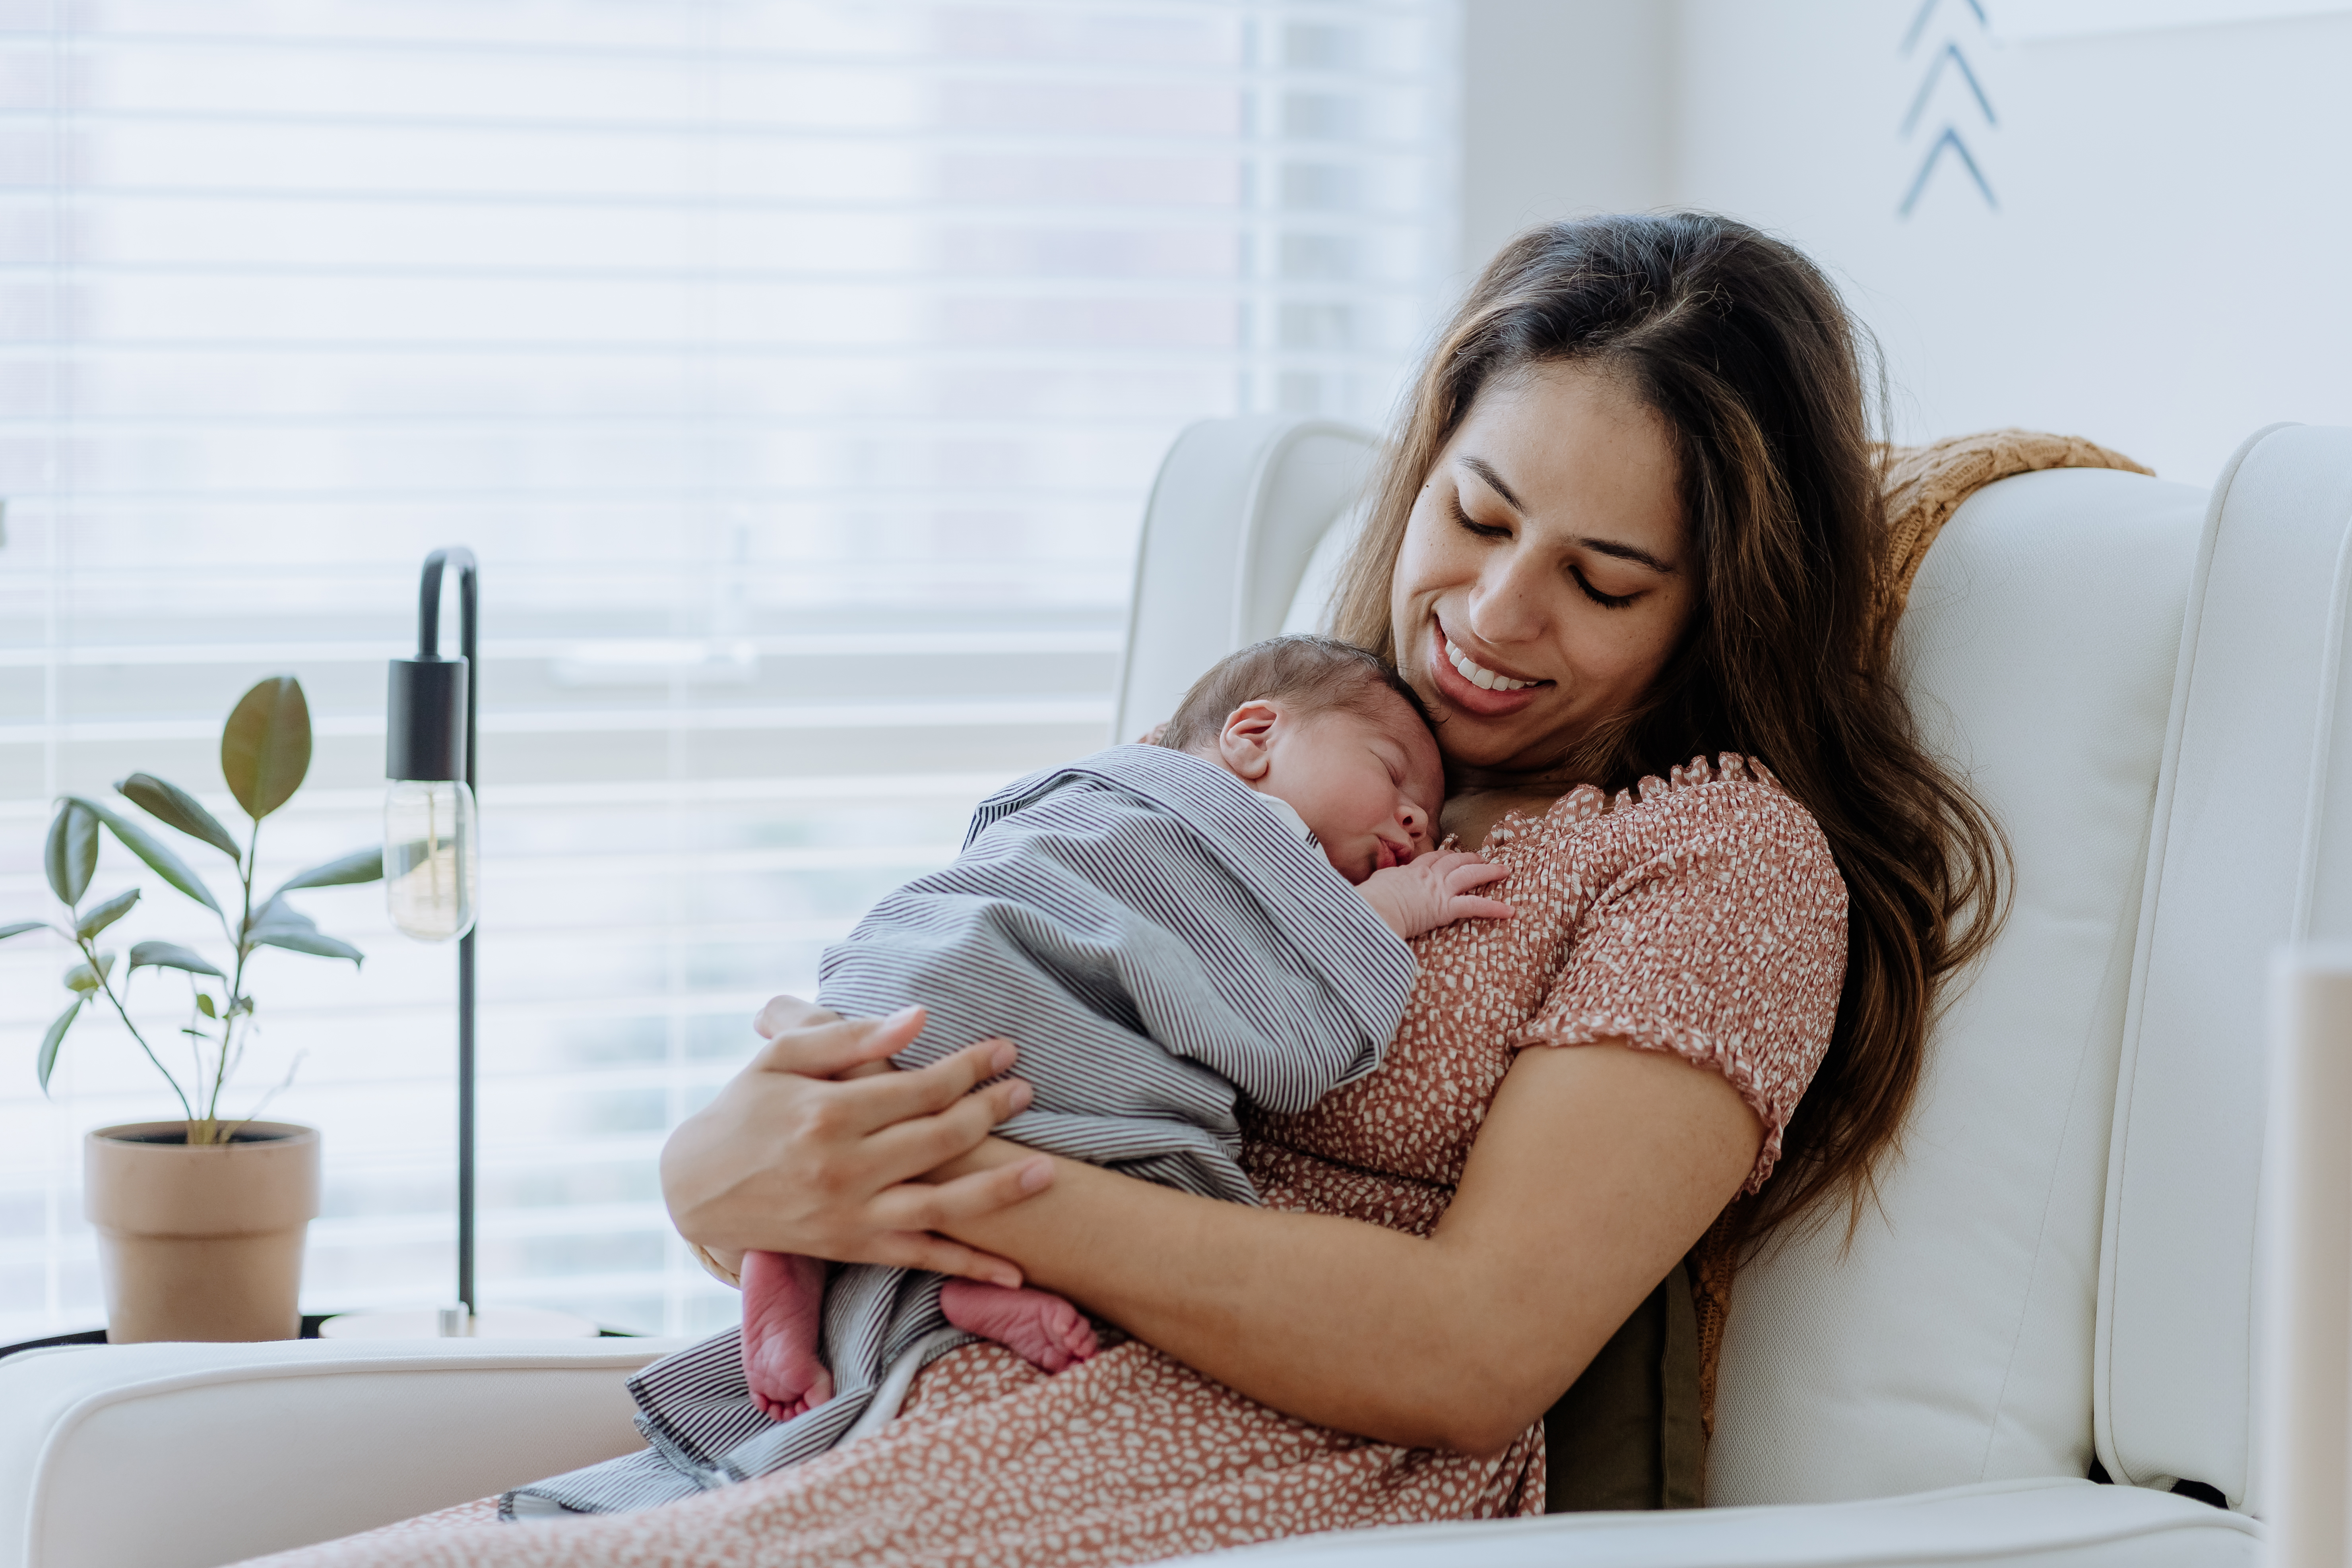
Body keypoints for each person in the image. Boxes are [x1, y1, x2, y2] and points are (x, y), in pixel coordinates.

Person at [240, 212, 2004, 1568]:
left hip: (1249, 1459)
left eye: (1604, 580)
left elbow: (1475, 1346)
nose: (1494, 611)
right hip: (895, 1381)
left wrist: (974, 1183)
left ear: (1722, 604)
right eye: (1474, 514)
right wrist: (727, 1162)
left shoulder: (1720, 861)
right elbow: (976, 1001)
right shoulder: (1291, 741)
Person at [714, 637, 1510, 1441]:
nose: (1416, 816)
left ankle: (811, 1265)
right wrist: (1389, 913)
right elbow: (1281, 1017)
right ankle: (924, 1276)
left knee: (1025, 1180)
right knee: (1164, 1186)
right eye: (1391, 772)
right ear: (1252, 735)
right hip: (1006, 993)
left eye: (1431, 816)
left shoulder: (1103, 787)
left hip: (900, 988)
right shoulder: (1228, 827)